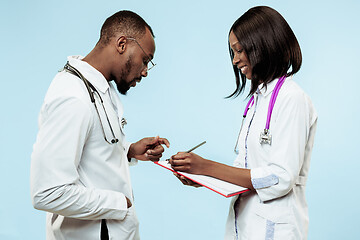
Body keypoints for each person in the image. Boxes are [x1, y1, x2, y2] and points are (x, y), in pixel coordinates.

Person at [169, 6, 317, 240]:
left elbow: (280, 178)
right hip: (244, 225)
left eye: (240, 51)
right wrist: (201, 177)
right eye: (233, 52)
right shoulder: (257, 101)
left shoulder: (292, 99)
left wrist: (205, 166)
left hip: (276, 230)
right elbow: (244, 168)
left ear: (264, 45)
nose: (236, 60)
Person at [30, 10, 169, 240]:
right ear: (122, 44)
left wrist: (129, 151)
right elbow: (47, 192)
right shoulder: (73, 98)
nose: (145, 71)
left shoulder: (99, 85)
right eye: (145, 60)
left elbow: (91, 151)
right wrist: (119, 202)